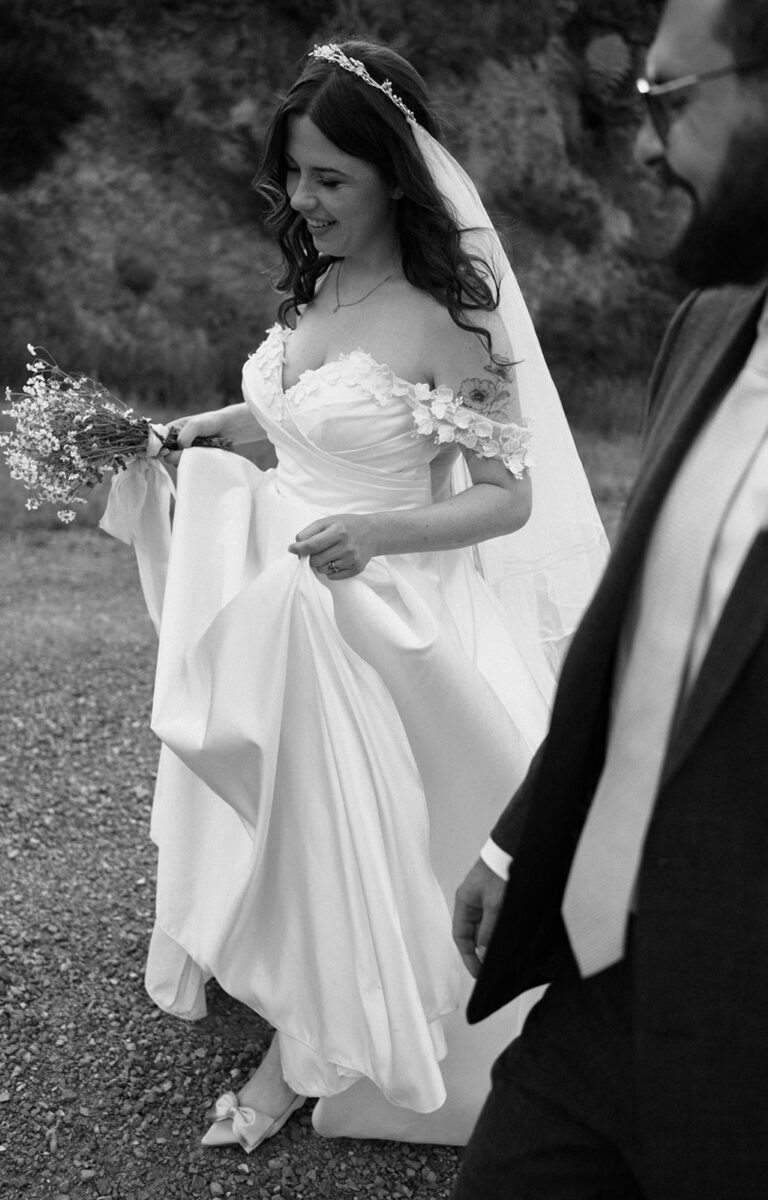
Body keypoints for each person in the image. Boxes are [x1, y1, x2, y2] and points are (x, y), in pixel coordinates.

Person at [101, 40, 606, 1151]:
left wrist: (377, 534)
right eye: (292, 173)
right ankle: (285, 966)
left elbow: (505, 498)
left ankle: (310, 1054)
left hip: (379, 612)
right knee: (276, 802)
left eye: (329, 176)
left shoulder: (449, 324)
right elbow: (300, 413)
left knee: (349, 827)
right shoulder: (322, 282)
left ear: (393, 174)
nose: (302, 199)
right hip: (276, 588)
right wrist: (198, 432)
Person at [451, 0, 768, 1196]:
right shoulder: (705, 327)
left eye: (668, 102)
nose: (638, 143)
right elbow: (646, 640)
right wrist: (516, 834)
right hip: (599, 1000)